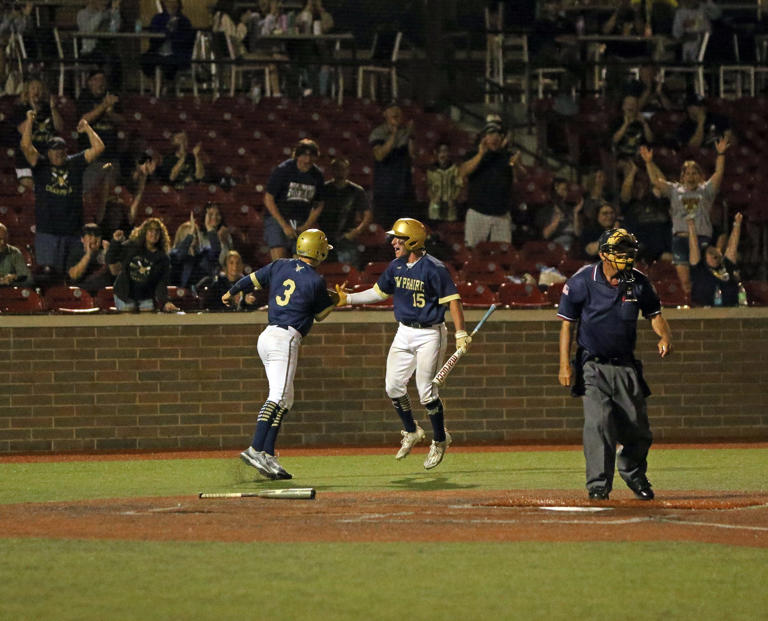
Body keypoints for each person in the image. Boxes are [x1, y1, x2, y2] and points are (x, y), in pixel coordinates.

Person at [334, 218, 469, 470]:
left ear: (414, 241)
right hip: (404, 331)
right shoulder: (396, 266)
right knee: (393, 386)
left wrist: (461, 333)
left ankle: (440, 439)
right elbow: (378, 292)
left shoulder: (434, 268)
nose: (393, 242)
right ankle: (412, 431)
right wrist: (348, 299)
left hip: (430, 333)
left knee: (427, 392)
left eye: (399, 238)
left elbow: (453, 300)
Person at [557, 227, 672, 501]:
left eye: (628, 250)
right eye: (619, 250)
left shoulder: (639, 281)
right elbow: (567, 325)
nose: (626, 256)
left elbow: (655, 314)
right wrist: (564, 364)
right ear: (603, 254)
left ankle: (632, 470)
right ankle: (598, 485)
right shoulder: (582, 281)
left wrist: (665, 335)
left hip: (626, 366)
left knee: (639, 429)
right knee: (599, 424)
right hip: (592, 365)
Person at [222, 229, 338, 479]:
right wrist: (335, 300)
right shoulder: (316, 280)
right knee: (278, 396)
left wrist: (231, 292)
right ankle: (256, 448)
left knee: (286, 399)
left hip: (267, 336)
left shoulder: (279, 264)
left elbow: (250, 280)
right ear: (318, 251)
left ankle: (269, 455)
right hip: (285, 338)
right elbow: (319, 314)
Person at [21, 112, 105, 276]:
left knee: (73, 276)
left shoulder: (75, 162)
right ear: (48, 152)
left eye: (61, 149)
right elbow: (25, 146)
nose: (58, 153)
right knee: (49, 277)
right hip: (47, 233)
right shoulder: (41, 164)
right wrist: (30, 121)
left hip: (73, 234)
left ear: (66, 150)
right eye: (54, 150)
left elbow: (99, 147)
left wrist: (87, 128)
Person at [640, 138, 727, 294]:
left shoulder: (706, 191)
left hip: (701, 239)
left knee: (703, 278)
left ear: (700, 176)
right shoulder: (675, 190)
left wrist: (721, 154)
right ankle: (690, 310)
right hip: (680, 240)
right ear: (682, 177)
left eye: (695, 173)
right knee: (685, 282)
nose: (691, 176)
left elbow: (719, 173)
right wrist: (649, 162)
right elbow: (655, 180)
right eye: (688, 173)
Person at [458, 119, 520, 248]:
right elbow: (463, 171)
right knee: (473, 251)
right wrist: (481, 154)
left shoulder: (508, 157)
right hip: (478, 213)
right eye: (490, 135)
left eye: (498, 135)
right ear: (484, 137)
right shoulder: (473, 154)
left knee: (503, 254)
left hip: (501, 214)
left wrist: (516, 165)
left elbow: (518, 178)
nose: (494, 138)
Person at [263, 138, 325, 261]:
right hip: (279, 218)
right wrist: (284, 225)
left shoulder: (317, 175)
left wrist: (307, 225)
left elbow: (319, 204)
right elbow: (268, 199)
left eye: (311, 156)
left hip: (301, 220)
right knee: (280, 262)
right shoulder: (283, 170)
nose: (307, 160)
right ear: (297, 156)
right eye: (304, 156)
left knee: (301, 264)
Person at [105, 217, 178, 312]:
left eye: (157, 231)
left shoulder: (163, 258)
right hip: (125, 294)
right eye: (150, 230)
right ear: (145, 232)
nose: (154, 233)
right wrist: (115, 242)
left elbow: (162, 283)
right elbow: (110, 259)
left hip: (146, 296)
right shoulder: (132, 247)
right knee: (128, 316)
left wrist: (165, 302)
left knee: (147, 319)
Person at [317, 156, 372, 267]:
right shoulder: (323, 189)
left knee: (349, 271)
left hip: (347, 236)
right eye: (337, 168)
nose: (340, 171)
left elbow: (367, 214)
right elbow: (314, 211)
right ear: (332, 170)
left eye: (343, 168)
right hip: (326, 236)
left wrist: (356, 231)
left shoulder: (356, 191)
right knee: (327, 270)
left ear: (348, 170)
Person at [11, 77, 64, 190]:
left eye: (39, 89)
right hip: (25, 160)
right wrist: (33, 113)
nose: (36, 92)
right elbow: (22, 130)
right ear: (27, 92)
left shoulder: (48, 109)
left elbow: (59, 128)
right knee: (35, 187)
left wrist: (53, 108)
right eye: (33, 88)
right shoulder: (21, 109)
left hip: (46, 159)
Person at [76, 69, 123, 194]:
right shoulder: (85, 97)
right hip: (92, 160)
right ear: (89, 82)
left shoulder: (112, 96)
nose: (100, 83)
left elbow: (121, 120)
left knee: (111, 196)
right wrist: (104, 106)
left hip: (111, 157)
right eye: (96, 80)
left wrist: (110, 113)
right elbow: (83, 121)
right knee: (89, 194)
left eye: (103, 80)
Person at [369, 102, 416, 225]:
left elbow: (413, 155)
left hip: (403, 186)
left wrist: (411, 135)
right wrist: (394, 135)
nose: (396, 113)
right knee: (385, 225)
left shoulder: (405, 132)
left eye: (398, 111)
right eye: (392, 111)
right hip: (385, 188)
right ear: (385, 114)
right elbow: (379, 155)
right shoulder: (378, 132)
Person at [688, 212, 743, 306]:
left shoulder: (727, 265)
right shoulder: (699, 268)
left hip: (730, 312)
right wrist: (691, 226)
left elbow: (732, 247)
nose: (715, 256)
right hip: (704, 313)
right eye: (711, 253)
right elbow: (694, 248)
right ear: (704, 257)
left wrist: (737, 223)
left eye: (716, 253)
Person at [140, 0, 195, 85]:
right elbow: (153, 36)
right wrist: (167, 31)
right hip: (158, 52)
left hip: (176, 54)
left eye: (174, 2)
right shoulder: (158, 19)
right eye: (168, 2)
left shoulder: (184, 21)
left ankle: (166, 86)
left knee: (169, 65)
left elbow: (187, 40)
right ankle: (154, 85)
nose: (171, 5)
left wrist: (173, 34)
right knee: (145, 60)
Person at [76, 0, 122, 90]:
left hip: (106, 49)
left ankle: (114, 91)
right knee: (108, 59)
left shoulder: (107, 14)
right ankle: (105, 90)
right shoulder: (82, 14)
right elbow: (89, 30)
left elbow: (114, 29)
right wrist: (100, 14)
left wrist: (115, 12)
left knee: (115, 59)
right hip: (89, 51)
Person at [538, 177, 584, 253]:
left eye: (565, 190)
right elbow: (545, 235)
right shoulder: (546, 211)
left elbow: (577, 233)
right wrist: (556, 222)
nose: (564, 193)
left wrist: (575, 213)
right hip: (555, 246)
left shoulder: (570, 209)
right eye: (562, 189)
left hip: (572, 244)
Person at [66, 222, 113, 295]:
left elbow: (117, 273)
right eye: (90, 236)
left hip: (104, 294)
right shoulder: (76, 253)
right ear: (82, 239)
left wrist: (110, 255)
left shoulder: (106, 251)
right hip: (81, 294)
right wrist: (88, 255)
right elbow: (74, 276)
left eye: (97, 236)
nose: (94, 240)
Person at [426, 142, 462, 222]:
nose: (443, 155)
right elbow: (428, 186)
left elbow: (459, 186)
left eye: (445, 151)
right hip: (436, 204)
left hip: (450, 205)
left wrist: (453, 198)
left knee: (450, 227)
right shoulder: (431, 170)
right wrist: (433, 198)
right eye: (440, 152)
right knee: (435, 225)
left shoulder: (455, 169)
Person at [0, 222, 32, 286]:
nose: (2, 242)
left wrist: (14, 277)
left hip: (8, 291)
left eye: (5, 239)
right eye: (0, 239)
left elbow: (28, 278)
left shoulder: (14, 252)